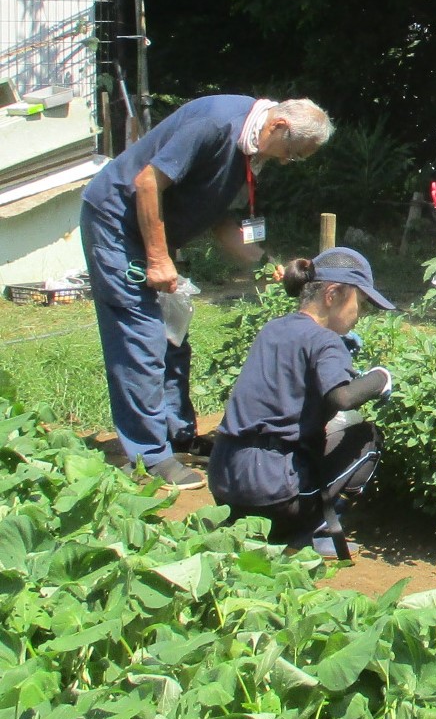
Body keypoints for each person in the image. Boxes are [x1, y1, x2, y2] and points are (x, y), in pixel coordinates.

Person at [80, 95, 334, 491]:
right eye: (292, 153)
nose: (287, 162)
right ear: (278, 125)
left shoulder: (248, 151)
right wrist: (158, 259)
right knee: (141, 337)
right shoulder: (216, 124)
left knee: (172, 336)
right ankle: (149, 456)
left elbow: (221, 220)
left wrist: (269, 264)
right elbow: (147, 181)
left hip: (152, 233)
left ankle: (177, 435)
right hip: (118, 225)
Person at [209, 247, 394, 557]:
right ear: (333, 294)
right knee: (367, 438)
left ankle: (251, 527)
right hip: (272, 495)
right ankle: (312, 533)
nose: (359, 315)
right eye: (359, 303)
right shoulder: (324, 340)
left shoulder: (273, 329)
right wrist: (380, 378)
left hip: (224, 483)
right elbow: (344, 397)